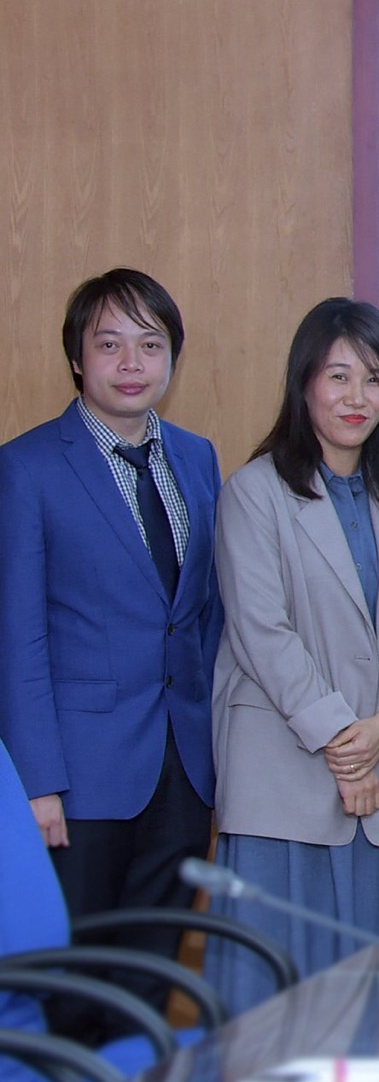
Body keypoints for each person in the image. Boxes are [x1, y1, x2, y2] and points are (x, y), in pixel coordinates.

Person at [205, 299, 379, 1010]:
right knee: (276, 1013)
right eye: (338, 376)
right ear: (304, 381)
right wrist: (349, 749)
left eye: (374, 379)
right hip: (284, 779)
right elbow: (263, 633)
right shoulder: (254, 492)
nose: (356, 396)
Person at [0, 269, 223, 1012]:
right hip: (79, 775)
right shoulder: (27, 467)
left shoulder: (196, 457)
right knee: (70, 986)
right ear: (77, 357)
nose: (132, 363)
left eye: (150, 345)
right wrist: (36, 784)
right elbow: (18, 637)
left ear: (172, 357)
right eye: (110, 344)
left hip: (184, 769)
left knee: (150, 979)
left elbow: (205, 615)